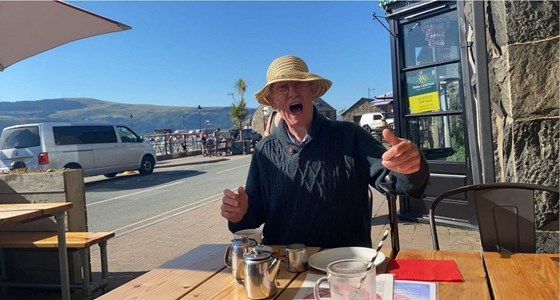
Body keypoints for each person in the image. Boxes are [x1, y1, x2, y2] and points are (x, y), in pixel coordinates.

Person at [220, 55, 429, 248]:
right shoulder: (264, 151)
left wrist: (411, 167)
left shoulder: (350, 136)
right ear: (273, 101)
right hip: (283, 264)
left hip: (343, 265)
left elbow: (396, 183)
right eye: (283, 87)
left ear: (312, 91)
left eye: (299, 84)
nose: (292, 92)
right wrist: (239, 214)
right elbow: (253, 216)